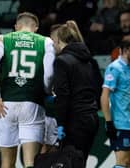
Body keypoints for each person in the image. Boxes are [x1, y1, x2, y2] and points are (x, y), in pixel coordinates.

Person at [0, 12, 55, 168]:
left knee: (6, 162)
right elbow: (50, 73)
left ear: (16, 27)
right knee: (31, 162)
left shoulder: (2, 39)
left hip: (5, 104)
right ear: (36, 27)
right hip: (32, 103)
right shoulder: (46, 41)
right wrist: (45, 89)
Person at [50, 20, 99, 166]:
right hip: (91, 118)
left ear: (58, 40)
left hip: (75, 121)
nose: (52, 45)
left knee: (69, 163)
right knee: (80, 161)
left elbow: (63, 96)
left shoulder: (61, 61)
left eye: (53, 41)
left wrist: (61, 124)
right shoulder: (89, 61)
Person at [101, 40, 130, 168]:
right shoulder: (114, 68)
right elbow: (104, 96)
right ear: (126, 50)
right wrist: (109, 123)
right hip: (120, 123)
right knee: (123, 162)